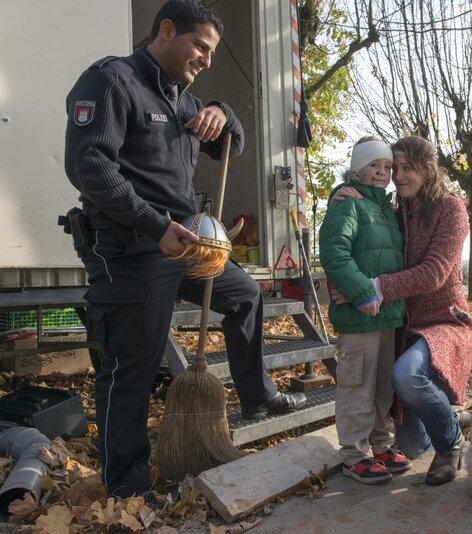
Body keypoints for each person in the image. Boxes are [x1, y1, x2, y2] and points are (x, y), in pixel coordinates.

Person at [64, 0, 306, 499]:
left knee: (244, 295)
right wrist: (156, 227)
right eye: (200, 46)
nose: (206, 59)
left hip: (186, 246)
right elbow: (90, 167)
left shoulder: (185, 101)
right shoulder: (112, 82)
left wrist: (225, 112)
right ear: (166, 30)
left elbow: (232, 144)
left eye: (212, 51)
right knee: (133, 365)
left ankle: (257, 396)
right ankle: (126, 487)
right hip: (132, 246)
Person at [333, 135, 472, 486]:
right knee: (412, 447)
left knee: (405, 376)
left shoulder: (451, 208)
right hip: (403, 324)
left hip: (445, 321)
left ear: (428, 169)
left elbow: (434, 272)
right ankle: (449, 416)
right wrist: (340, 193)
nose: (397, 176)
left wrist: (372, 288)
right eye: (393, 168)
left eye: (406, 168)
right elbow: (362, 225)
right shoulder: (397, 211)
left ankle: (451, 444)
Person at [319, 137, 410, 485]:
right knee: (356, 385)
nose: (383, 173)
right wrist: (360, 292)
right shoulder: (348, 205)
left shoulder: (386, 210)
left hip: (388, 314)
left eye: (388, 167)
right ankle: (353, 455)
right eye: (375, 165)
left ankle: (380, 444)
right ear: (358, 168)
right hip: (361, 316)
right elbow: (335, 253)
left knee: (382, 387)